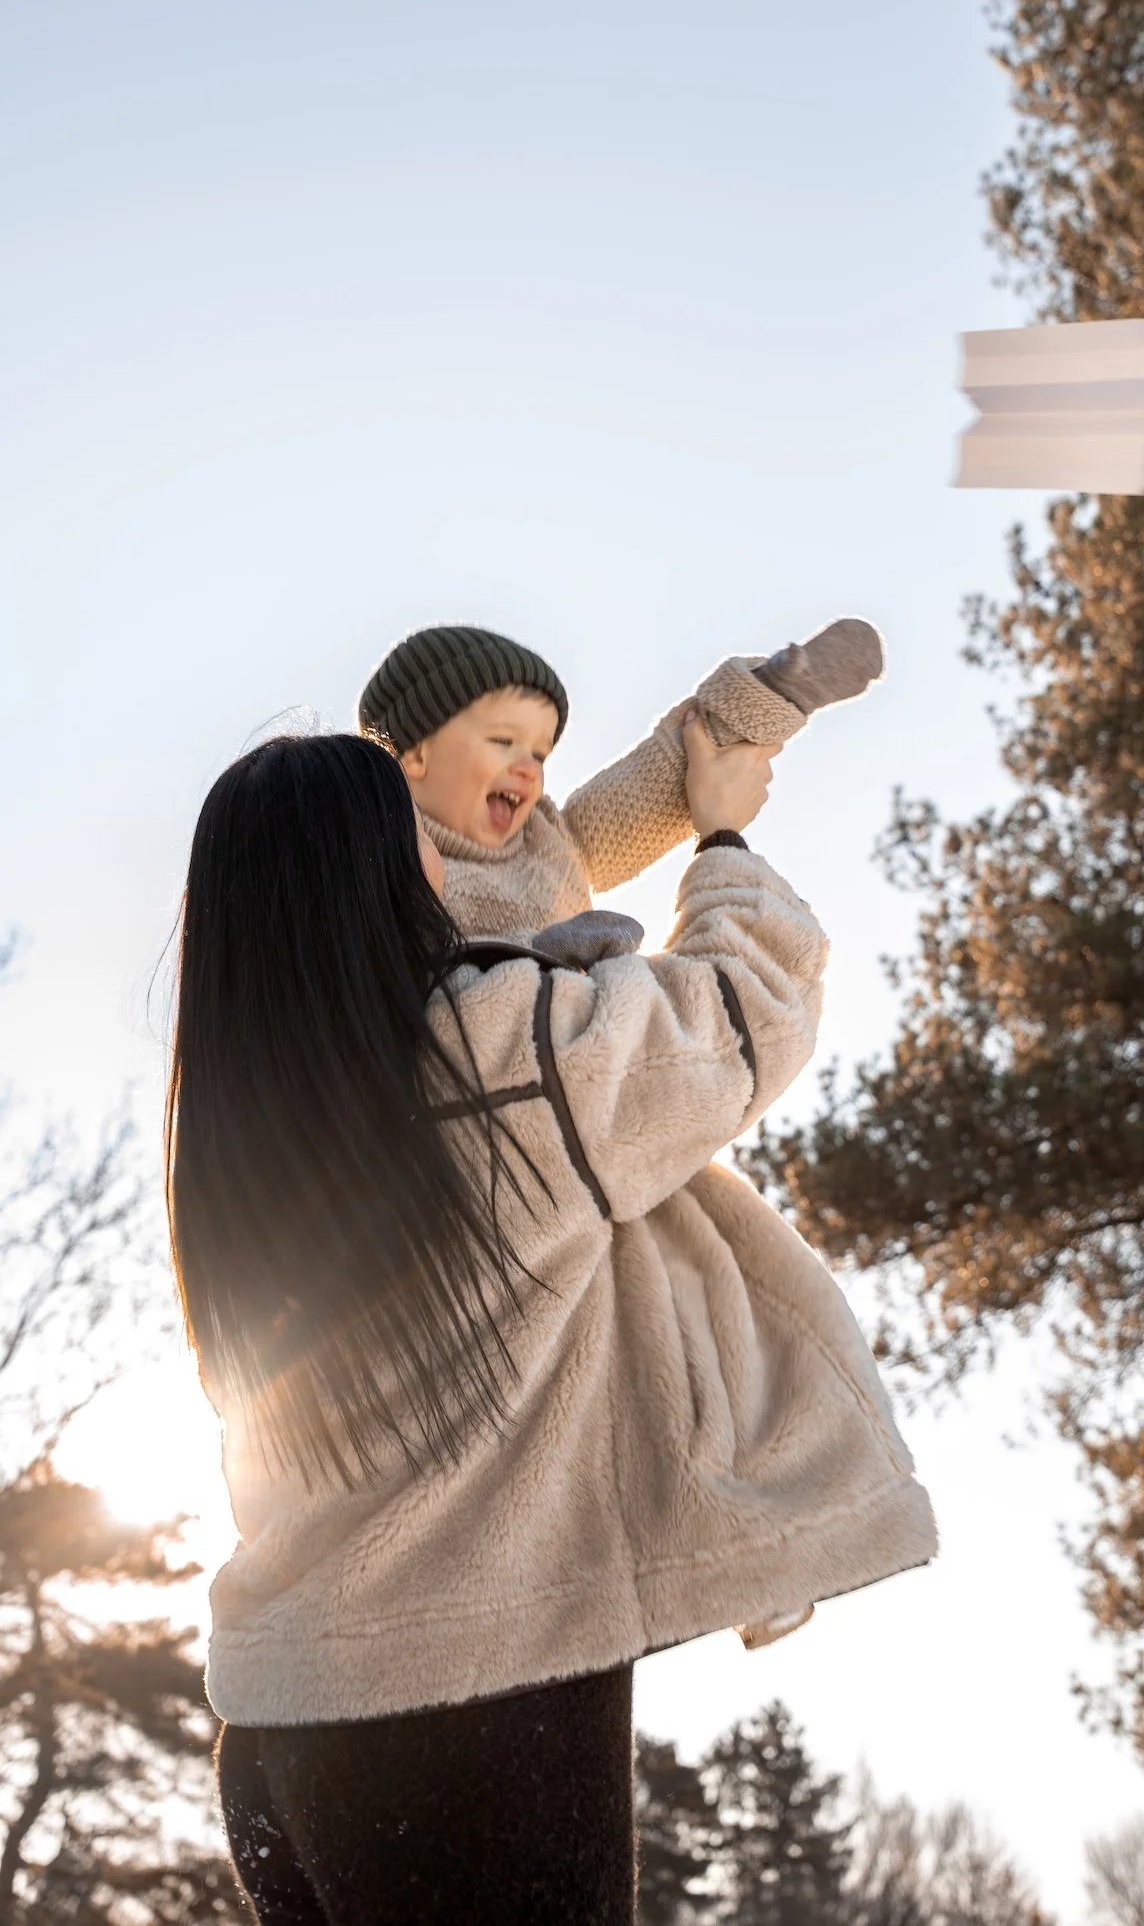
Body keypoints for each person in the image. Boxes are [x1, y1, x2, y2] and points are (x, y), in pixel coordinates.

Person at [168, 722, 935, 1925]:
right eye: (408, 839)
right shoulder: (491, 1055)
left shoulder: (243, 1134)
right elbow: (746, 1011)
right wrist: (725, 834)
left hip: (276, 1724)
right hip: (465, 1714)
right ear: (368, 871)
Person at [355, 616, 885, 944]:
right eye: (502, 742)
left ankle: (778, 685)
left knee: (665, 772)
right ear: (415, 755)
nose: (528, 767)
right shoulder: (381, 854)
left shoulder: (546, 840)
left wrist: (758, 703)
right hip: (485, 1047)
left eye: (540, 753)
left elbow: (650, 789)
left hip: (579, 1040)